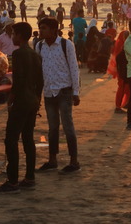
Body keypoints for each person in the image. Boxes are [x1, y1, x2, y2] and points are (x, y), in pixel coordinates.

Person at [0, 22, 44, 193]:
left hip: (22, 101)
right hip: (32, 101)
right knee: (28, 138)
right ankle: (29, 177)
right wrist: (37, 99)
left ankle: (12, 181)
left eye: (13, 33)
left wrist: (10, 100)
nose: (12, 36)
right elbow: (40, 82)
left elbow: (19, 81)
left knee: (11, 139)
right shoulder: (35, 54)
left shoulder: (19, 53)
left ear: (20, 35)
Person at [35, 18, 81, 174]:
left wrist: (76, 92)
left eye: (44, 28)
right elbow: (38, 71)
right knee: (52, 128)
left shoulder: (66, 44)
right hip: (49, 92)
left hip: (64, 90)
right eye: (40, 28)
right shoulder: (39, 46)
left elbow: (74, 68)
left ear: (54, 30)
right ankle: (52, 160)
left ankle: (74, 161)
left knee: (68, 126)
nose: (41, 31)